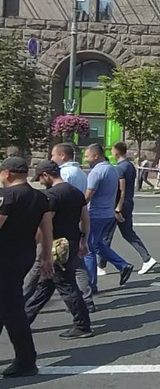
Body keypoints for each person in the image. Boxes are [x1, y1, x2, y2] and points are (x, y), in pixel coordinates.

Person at [24, 160, 93, 339]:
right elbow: (85, 218)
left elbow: (45, 225)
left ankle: (83, 325)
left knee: (66, 285)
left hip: (56, 246)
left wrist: (36, 245)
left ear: (46, 175)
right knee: (45, 286)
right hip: (71, 242)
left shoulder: (52, 195)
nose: (40, 182)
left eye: (40, 178)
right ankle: (24, 320)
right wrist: (83, 240)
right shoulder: (75, 192)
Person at [0, 157, 53, 378]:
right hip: (25, 255)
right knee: (7, 305)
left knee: (12, 309)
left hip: (4, 257)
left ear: (7, 173)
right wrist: (47, 256)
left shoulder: (7, 195)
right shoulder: (39, 197)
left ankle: (26, 360)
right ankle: (26, 359)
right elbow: (47, 228)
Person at [46, 142, 95, 312]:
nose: (52, 158)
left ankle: (77, 302)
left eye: (53, 155)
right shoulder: (80, 172)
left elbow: (61, 198)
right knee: (77, 264)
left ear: (62, 156)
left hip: (62, 228)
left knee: (55, 269)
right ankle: (86, 299)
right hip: (76, 222)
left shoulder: (65, 174)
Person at [98, 142, 156, 276]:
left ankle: (100, 265)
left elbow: (121, 189)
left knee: (106, 236)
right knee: (128, 233)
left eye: (112, 150)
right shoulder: (130, 166)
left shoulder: (120, 168)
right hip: (128, 203)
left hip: (119, 204)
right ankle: (147, 258)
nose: (111, 152)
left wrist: (117, 208)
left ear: (116, 152)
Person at [82, 144, 133, 292]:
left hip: (95, 215)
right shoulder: (112, 169)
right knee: (98, 244)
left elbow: (87, 196)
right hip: (108, 214)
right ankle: (122, 265)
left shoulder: (96, 172)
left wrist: (76, 208)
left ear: (96, 155)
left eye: (87, 156)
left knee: (89, 249)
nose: (85, 159)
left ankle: (91, 285)